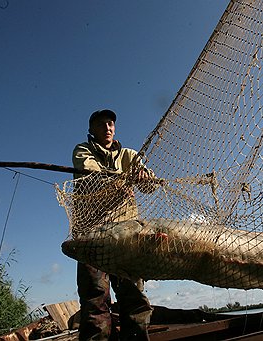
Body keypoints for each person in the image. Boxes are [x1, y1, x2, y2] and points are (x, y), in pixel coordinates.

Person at [72, 109, 155, 341]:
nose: (107, 128)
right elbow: (91, 172)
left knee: (134, 296)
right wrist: (119, 182)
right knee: (96, 298)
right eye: (101, 125)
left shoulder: (129, 155)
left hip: (126, 235)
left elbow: (150, 186)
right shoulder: (82, 151)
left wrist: (143, 176)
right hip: (93, 235)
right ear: (91, 130)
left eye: (110, 124)